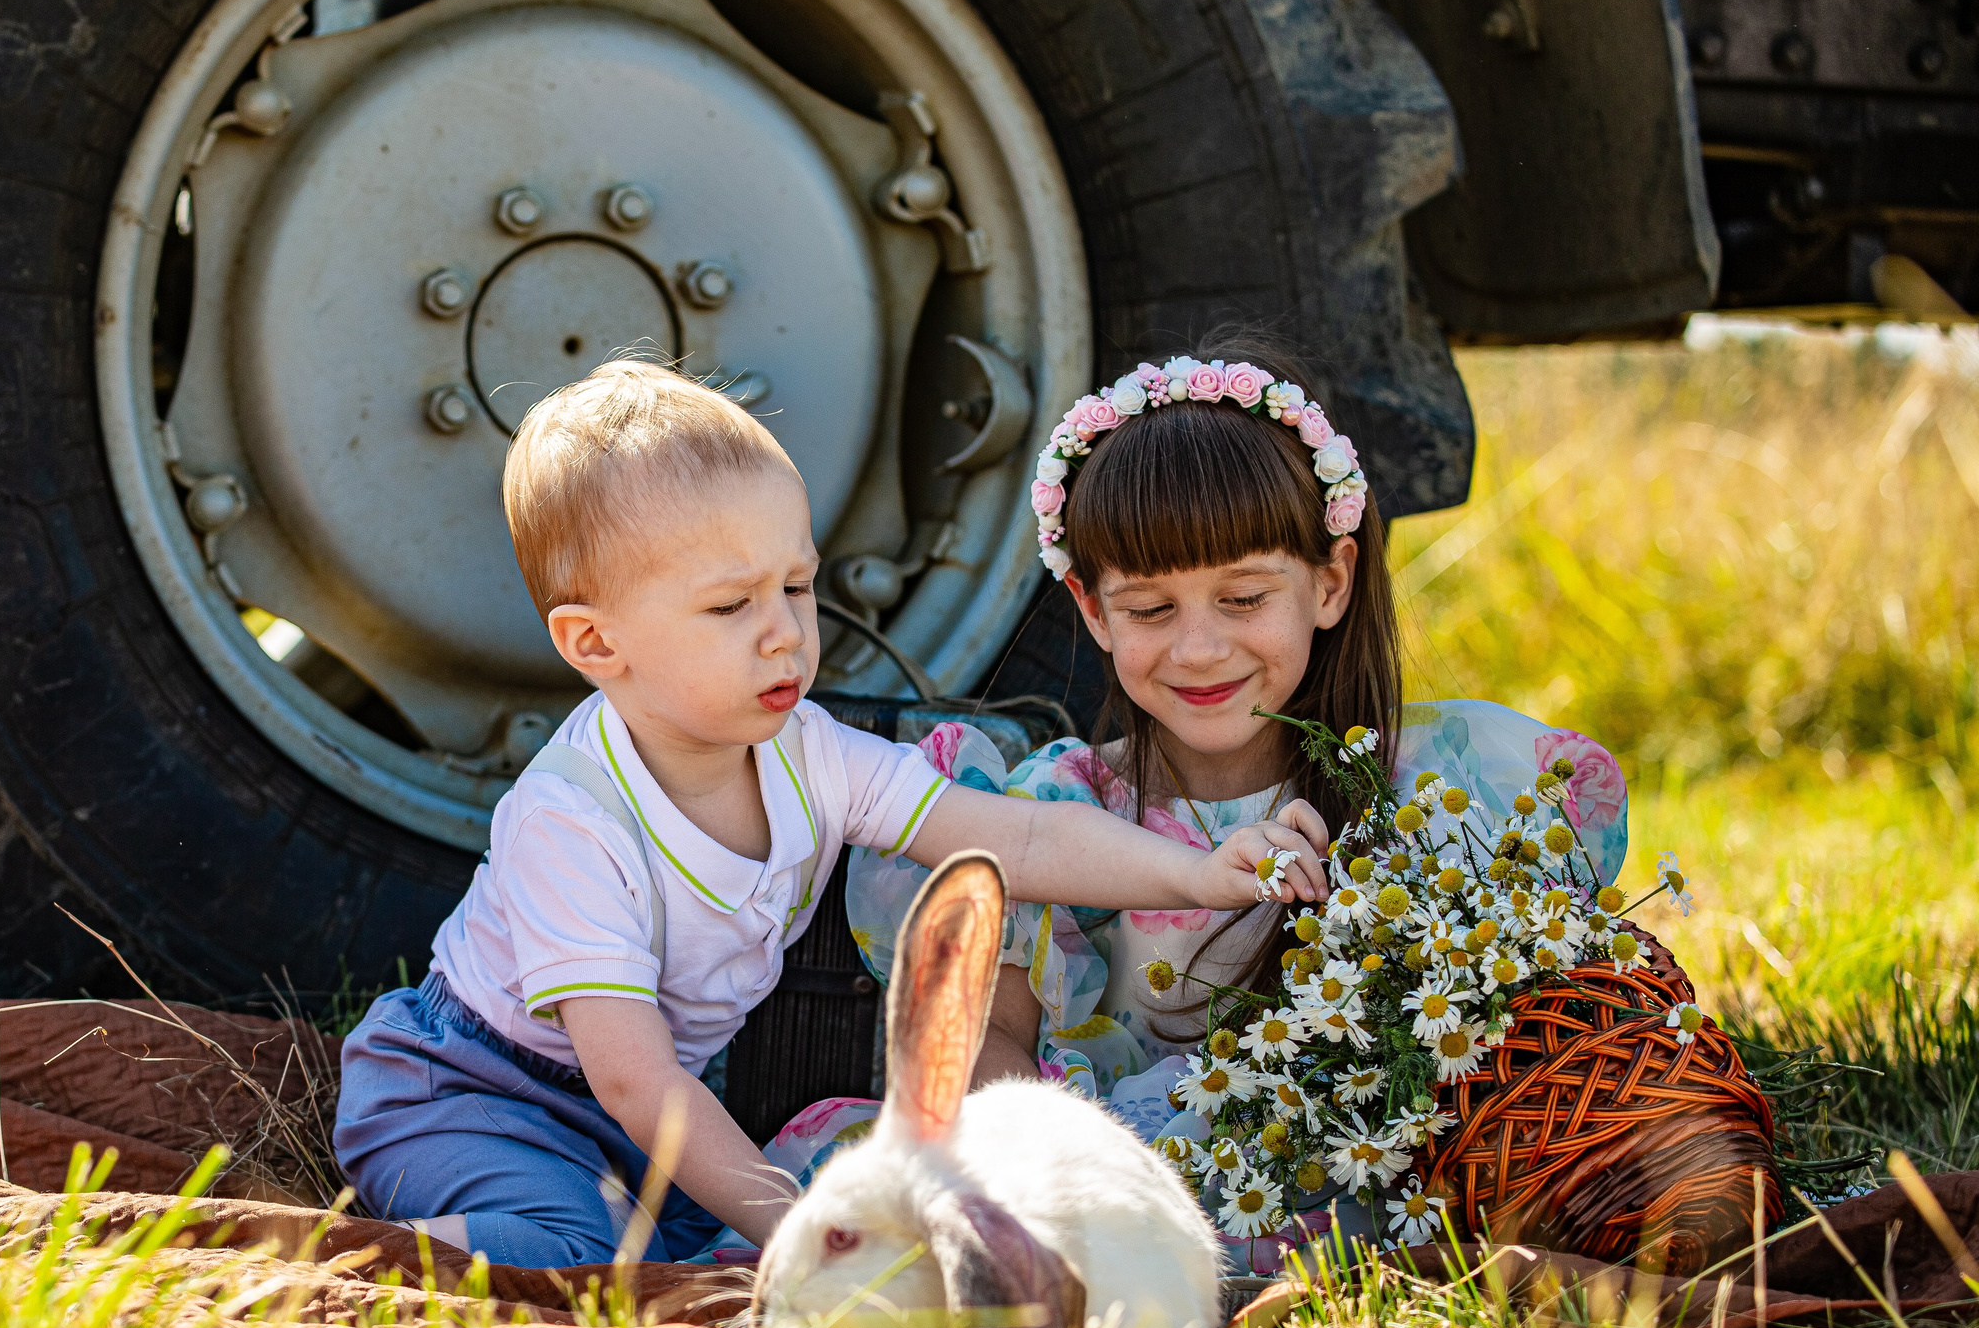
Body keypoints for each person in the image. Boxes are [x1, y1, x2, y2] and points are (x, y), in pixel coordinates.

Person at [331, 360, 1333, 1269]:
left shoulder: (804, 749)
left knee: (698, 1244)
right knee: (576, 1250)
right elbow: (635, 1080)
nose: (783, 636)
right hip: (473, 1095)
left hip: (620, 1120)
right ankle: (329, 1263)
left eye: (797, 585)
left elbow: (1012, 838)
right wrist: (797, 1229)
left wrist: (1194, 874)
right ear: (595, 643)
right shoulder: (573, 819)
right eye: (730, 608)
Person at [778, 335, 1631, 1209]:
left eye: (1244, 598)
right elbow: (987, 1032)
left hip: (1346, 1171)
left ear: (1330, 583)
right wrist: (1040, 1167)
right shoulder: (1059, 808)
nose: (1199, 648)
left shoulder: (1426, 795)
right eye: (1150, 607)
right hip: (1098, 1175)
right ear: (1092, 609)